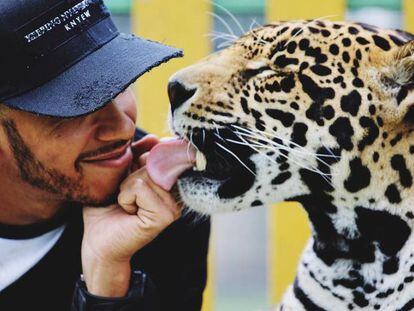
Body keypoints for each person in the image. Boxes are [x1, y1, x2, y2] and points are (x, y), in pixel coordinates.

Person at [0, 0, 210, 310]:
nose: (122, 128)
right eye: (74, 104)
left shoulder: (158, 214)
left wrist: (107, 277)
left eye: (117, 84)